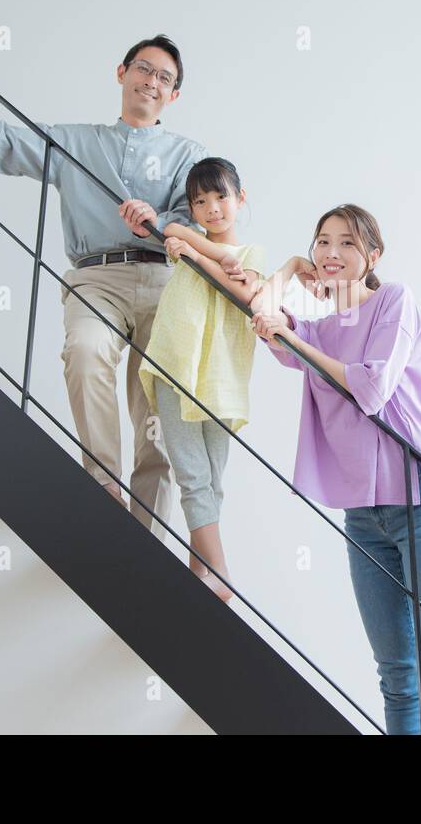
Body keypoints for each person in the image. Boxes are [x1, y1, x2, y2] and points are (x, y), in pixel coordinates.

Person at [0, 35, 235, 541]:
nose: (152, 81)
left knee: (158, 420)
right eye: (144, 69)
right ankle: (102, 487)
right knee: (84, 348)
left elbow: (202, 217)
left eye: (165, 78)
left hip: (168, 283)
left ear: (174, 96)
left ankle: (144, 544)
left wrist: (161, 222)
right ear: (121, 72)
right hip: (96, 277)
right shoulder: (74, 143)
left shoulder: (189, 153)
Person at [250, 204, 421, 734]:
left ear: (372, 256)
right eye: (321, 242)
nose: (331, 253)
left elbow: (372, 388)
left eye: (347, 244)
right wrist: (289, 267)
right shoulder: (316, 328)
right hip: (363, 515)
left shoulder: (393, 302)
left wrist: (292, 338)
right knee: (396, 679)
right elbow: (260, 313)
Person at [137, 157, 265, 601]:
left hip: (221, 383)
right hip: (178, 371)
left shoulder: (252, 257)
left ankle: (201, 570)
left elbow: (243, 291)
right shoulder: (183, 242)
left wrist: (195, 252)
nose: (212, 208)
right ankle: (221, 574)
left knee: (211, 479)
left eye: (221, 197)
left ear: (240, 198)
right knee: (193, 474)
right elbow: (172, 232)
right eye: (200, 201)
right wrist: (188, 246)